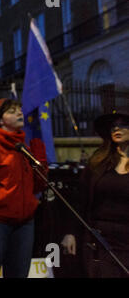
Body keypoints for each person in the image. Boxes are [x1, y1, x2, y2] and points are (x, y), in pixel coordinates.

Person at [0, 98, 48, 278]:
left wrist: (39, 155)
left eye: (19, 109)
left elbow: (39, 185)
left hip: (24, 223)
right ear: (0, 120)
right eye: (12, 111)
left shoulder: (23, 147)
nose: (20, 113)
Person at [61, 110, 129, 278]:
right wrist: (70, 233)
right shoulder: (98, 162)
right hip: (100, 239)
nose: (116, 129)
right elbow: (80, 201)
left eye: (122, 124)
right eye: (113, 126)